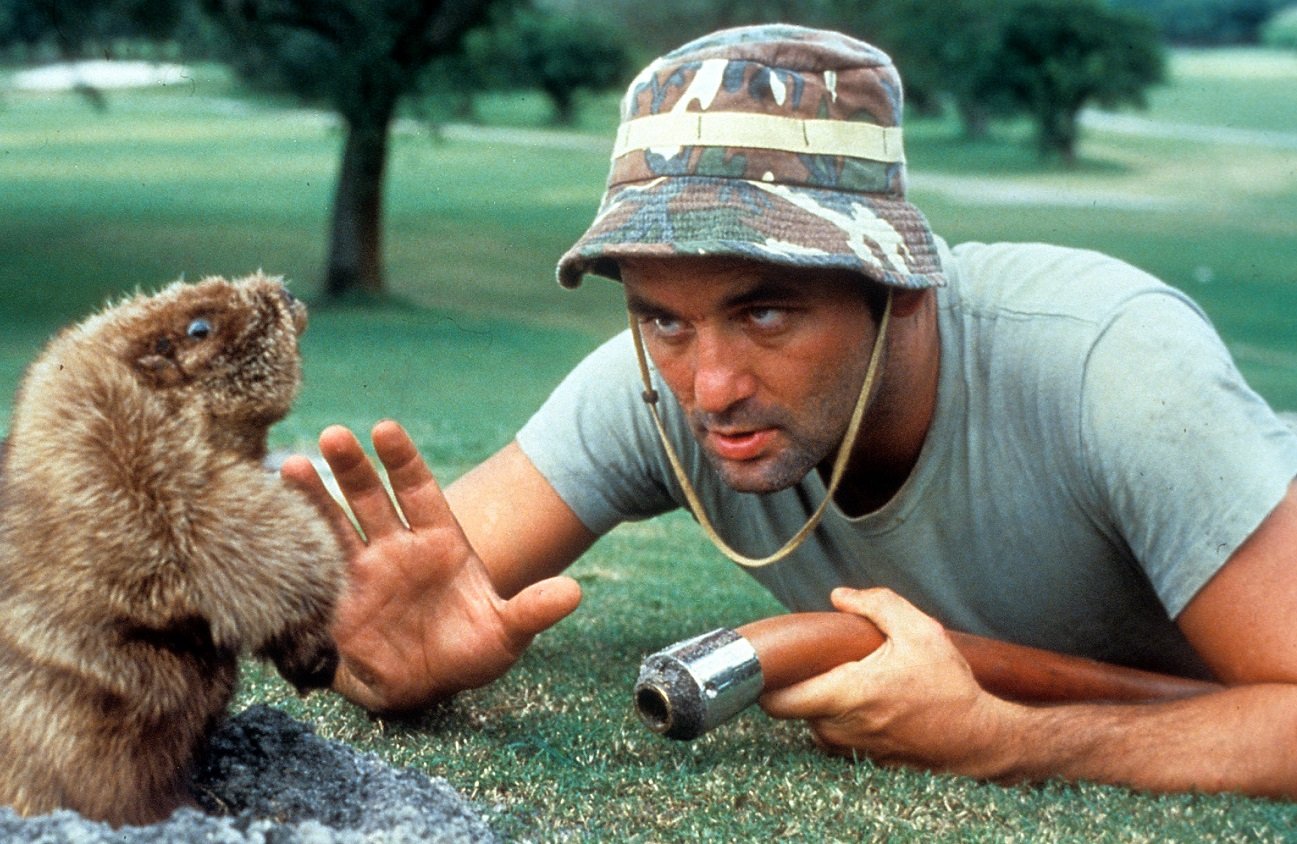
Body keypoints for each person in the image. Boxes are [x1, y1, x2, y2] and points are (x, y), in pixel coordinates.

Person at [281, 24, 1297, 798]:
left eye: (765, 310)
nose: (708, 385)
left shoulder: (1111, 367)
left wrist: (1012, 739)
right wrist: (375, 660)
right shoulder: (658, 380)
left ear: (898, 281)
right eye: (661, 319)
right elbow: (428, 592)